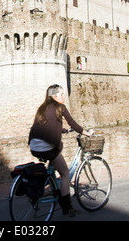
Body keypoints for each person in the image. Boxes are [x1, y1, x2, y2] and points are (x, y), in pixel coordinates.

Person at [28, 84, 93, 217]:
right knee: (65, 174)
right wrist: (86, 133)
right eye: (61, 94)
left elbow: (45, 125)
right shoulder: (60, 107)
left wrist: (63, 131)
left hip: (33, 145)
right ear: (54, 96)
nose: (64, 96)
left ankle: (51, 175)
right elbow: (73, 123)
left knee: (59, 146)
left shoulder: (42, 108)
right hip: (46, 148)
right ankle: (68, 208)